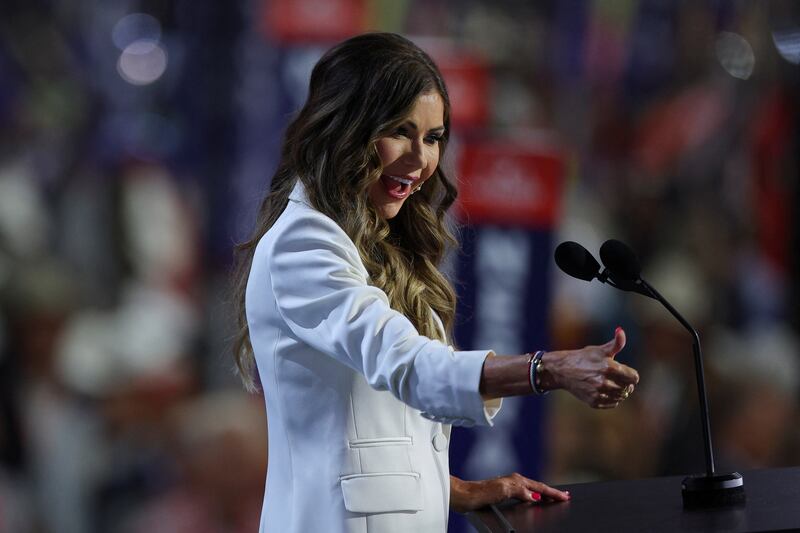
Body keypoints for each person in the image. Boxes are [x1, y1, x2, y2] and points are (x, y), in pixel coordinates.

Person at [230, 32, 640, 533]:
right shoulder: (304, 244)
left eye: (433, 137)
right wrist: (548, 369)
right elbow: (408, 365)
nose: (421, 160)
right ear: (346, 129)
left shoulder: (376, 237)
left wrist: (459, 490)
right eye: (400, 132)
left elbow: (375, 431)